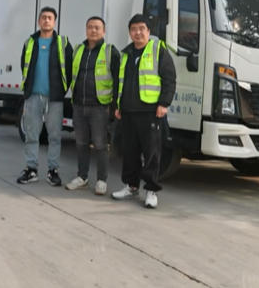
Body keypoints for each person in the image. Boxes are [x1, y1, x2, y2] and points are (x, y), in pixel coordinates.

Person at [111, 14, 176, 209]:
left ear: (148, 31)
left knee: (151, 153)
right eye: (134, 29)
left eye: (141, 29)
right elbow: (119, 82)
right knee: (129, 152)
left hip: (150, 111)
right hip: (128, 112)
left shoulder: (158, 51)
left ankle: (151, 190)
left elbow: (169, 79)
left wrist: (164, 103)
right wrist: (117, 105)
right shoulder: (125, 54)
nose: (137, 32)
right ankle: (131, 186)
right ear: (129, 32)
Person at [17, 6, 72, 186]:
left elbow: (69, 69)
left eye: (50, 17)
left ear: (54, 22)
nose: (46, 20)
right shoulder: (30, 42)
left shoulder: (63, 43)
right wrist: (28, 88)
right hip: (33, 96)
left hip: (55, 98)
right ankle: (31, 169)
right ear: (39, 21)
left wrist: (61, 90)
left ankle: (52, 170)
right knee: (31, 135)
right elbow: (24, 65)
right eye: (43, 17)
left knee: (54, 136)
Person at [65, 16, 120, 195]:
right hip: (79, 105)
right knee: (81, 143)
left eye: (97, 27)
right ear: (86, 29)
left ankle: (102, 180)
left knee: (100, 144)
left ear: (103, 31)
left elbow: (118, 81)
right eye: (90, 27)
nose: (93, 30)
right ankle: (82, 177)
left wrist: (115, 106)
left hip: (100, 107)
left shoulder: (110, 52)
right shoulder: (78, 50)